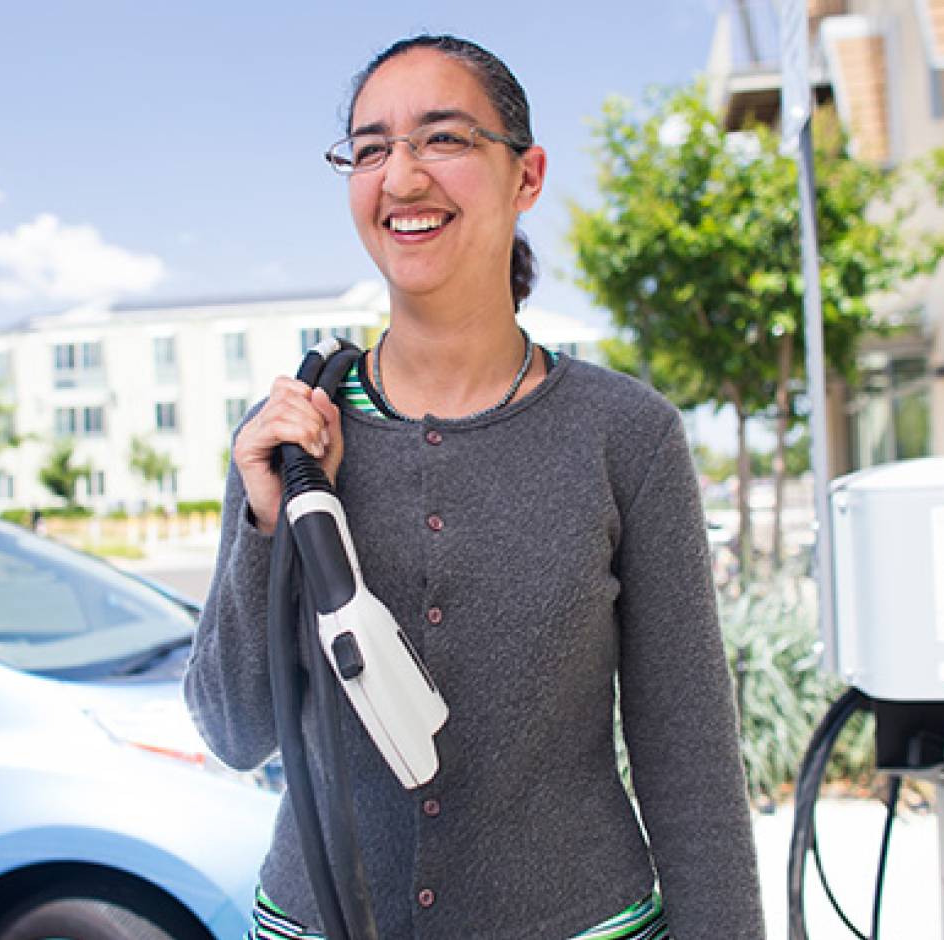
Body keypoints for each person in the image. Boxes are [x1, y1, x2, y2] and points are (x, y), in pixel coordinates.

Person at [184, 34, 763, 939]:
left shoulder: (626, 435)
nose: (401, 176)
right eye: (370, 149)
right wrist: (265, 527)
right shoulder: (291, 436)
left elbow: (687, 752)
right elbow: (233, 731)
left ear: (526, 175)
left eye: (442, 139)